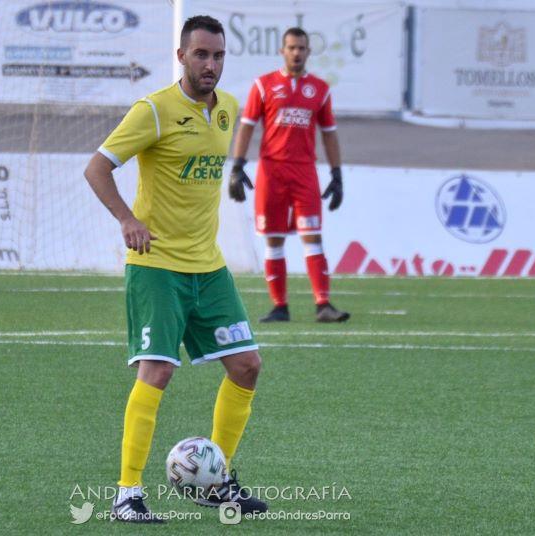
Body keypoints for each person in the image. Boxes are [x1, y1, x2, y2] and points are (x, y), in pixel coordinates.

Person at [83, 15, 268, 524]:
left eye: (219, 56)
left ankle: (218, 483)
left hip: (208, 269)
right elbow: (96, 168)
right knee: (158, 370)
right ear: (182, 57)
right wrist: (127, 219)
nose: (211, 64)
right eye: (202, 55)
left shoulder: (229, 111)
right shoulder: (154, 111)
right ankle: (126, 495)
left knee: (247, 365)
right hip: (157, 267)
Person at [229, 27, 350, 323]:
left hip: (305, 172)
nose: (296, 53)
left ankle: (323, 305)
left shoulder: (320, 90)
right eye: (291, 47)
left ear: (308, 52)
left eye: (301, 48)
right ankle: (279, 306)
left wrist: (336, 174)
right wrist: (237, 165)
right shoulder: (263, 85)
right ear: (282, 51)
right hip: (271, 172)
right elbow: (246, 126)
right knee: (273, 239)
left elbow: (330, 134)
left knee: (312, 235)